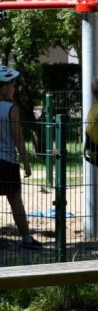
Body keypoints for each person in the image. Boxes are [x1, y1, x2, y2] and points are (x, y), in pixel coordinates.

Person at [0, 66, 42, 249]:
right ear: (3, 87)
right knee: (15, 199)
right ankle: (26, 239)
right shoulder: (12, 109)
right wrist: (26, 163)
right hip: (7, 161)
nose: (14, 88)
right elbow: (18, 138)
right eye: (12, 84)